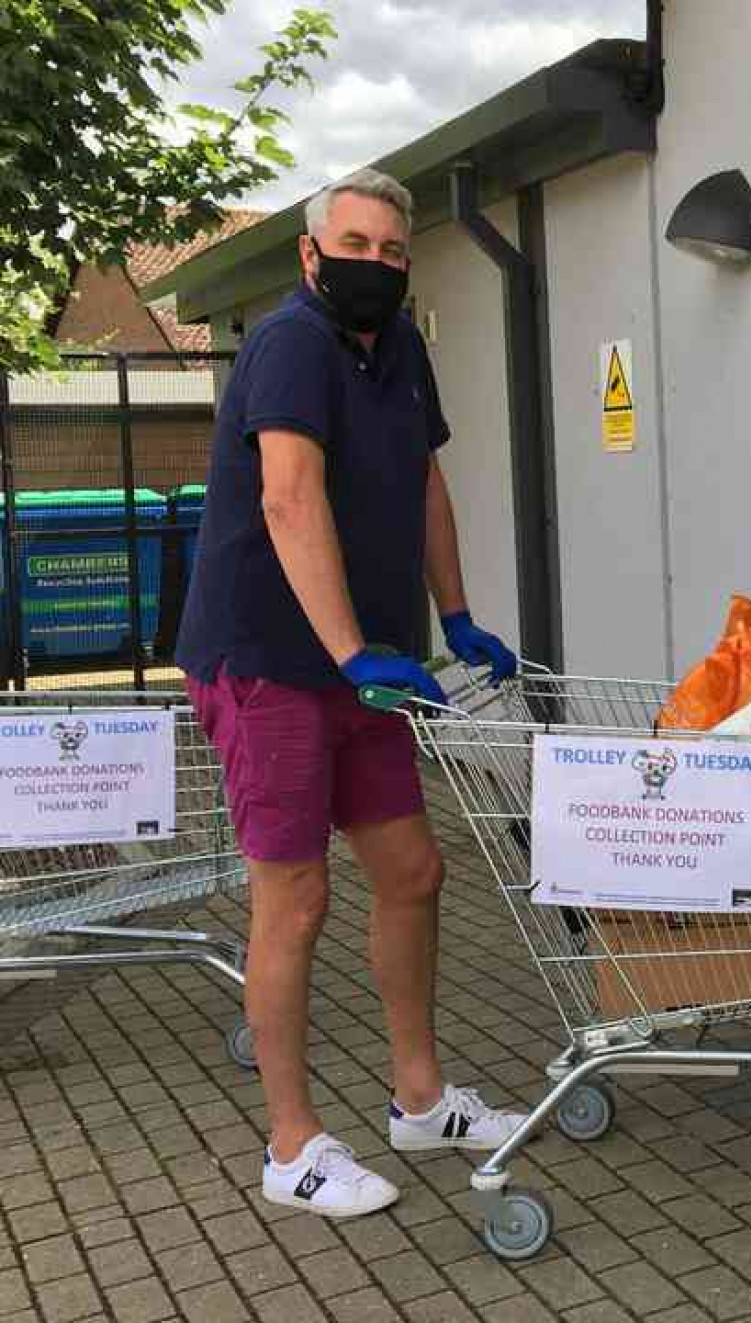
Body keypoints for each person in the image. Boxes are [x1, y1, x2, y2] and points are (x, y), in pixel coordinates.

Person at [177, 168, 528, 1219]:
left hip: (364, 665)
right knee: (294, 897)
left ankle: (419, 1097)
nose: (374, 263)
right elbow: (288, 497)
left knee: (414, 870)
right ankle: (292, 1146)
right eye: (356, 244)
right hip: (270, 662)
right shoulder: (291, 343)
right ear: (310, 252)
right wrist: (349, 650)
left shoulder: (401, 346)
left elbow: (423, 480)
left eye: (392, 250)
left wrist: (454, 613)